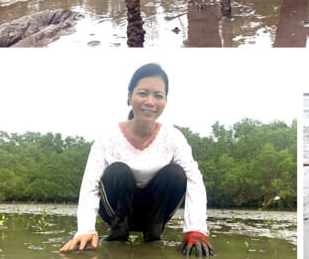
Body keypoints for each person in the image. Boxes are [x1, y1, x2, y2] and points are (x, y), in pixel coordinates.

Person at [60, 64, 213, 256]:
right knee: (118, 171)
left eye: (158, 95)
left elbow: (194, 181)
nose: (150, 102)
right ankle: (118, 234)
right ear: (129, 96)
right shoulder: (108, 137)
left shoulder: (174, 137)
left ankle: (153, 234)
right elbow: (90, 183)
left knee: (175, 173)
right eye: (143, 93)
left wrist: (196, 229)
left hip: (155, 213)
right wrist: (85, 229)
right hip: (115, 210)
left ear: (165, 100)